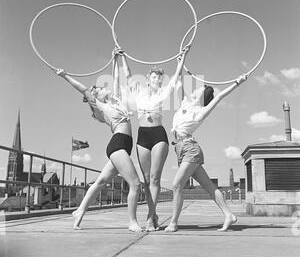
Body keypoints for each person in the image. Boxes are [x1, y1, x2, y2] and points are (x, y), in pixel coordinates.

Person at [56, 52, 143, 232]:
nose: (106, 88)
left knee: (101, 181)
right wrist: (65, 76)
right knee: (135, 184)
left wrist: (115, 58)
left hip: (124, 146)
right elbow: (83, 90)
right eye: (101, 88)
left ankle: (79, 211)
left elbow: (116, 79)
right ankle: (132, 222)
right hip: (118, 144)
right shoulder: (101, 107)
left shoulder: (115, 102)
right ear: (97, 96)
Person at [165, 74, 247, 232]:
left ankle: (173, 223)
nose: (194, 89)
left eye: (198, 89)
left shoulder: (201, 111)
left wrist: (238, 81)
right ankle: (229, 214)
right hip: (180, 149)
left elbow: (221, 95)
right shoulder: (184, 103)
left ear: (202, 96)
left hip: (190, 150)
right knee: (209, 186)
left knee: (176, 185)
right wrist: (182, 57)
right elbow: (179, 81)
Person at [127, 47, 190, 231]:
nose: (157, 80)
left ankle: (149, 218)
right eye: (154, 77)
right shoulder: (138, 92)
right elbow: (128, 74)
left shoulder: (163, 93)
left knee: (155, 178)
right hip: (143, 136)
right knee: (146, 180)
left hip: (158, 135)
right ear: (148, 79)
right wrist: (121, 57)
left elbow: (177, 76)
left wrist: (182, 57)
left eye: (160, 78)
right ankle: (153, 213)